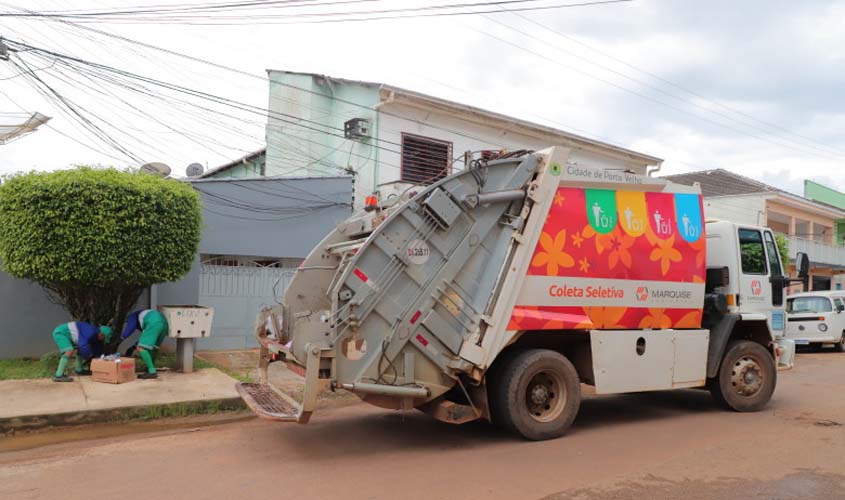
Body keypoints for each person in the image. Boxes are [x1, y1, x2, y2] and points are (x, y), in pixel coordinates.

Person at [121, 309, 169, 379]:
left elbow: (130, 328)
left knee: (141, 348)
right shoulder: (143, 314)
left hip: (153, 323)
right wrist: (134, 346)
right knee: (154, 348)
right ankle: (150, 368)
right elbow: (145, 338)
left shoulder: (133, 316)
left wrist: (122, 337)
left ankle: (152, 372)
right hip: (164, 323)